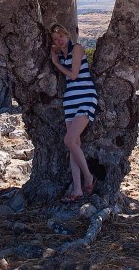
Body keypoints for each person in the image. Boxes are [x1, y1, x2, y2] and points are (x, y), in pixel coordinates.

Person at [49, 23, 98, 202]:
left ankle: (88, 177)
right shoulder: (60, 53)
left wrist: (56, 63)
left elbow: (74, 75)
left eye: (61, 36)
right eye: (55, 38)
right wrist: (55, 53)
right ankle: (77, 189)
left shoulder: (76, 48)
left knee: (69, 140)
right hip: (70, 100)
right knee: (73, 144)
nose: (59, 40)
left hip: (85, 96)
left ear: (68, 35)